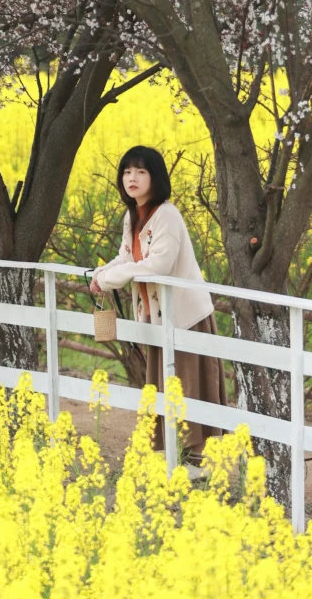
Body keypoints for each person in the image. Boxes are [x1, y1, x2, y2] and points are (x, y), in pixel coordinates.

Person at [90, 145, 227, 464]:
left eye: (141, 171)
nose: (132, 178)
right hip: (155, 317)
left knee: (187, 386)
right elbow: (128, 256)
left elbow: (158, 264)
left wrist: (111, 279)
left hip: (183, 315)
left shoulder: (166, 214)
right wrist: (102, 272)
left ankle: (194, 463)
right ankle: (175, 458)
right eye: (126, 171)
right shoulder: (133, 214)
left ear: (156, 178)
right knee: (165, 385)